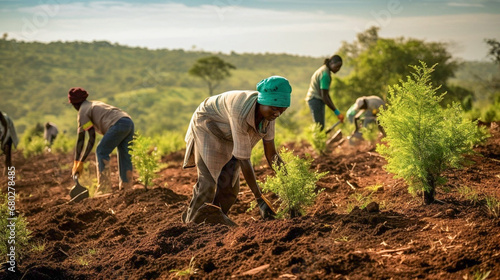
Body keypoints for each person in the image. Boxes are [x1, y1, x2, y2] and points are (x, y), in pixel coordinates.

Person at [182, 76, 291, 225]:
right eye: (274, 108)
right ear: (262, 101)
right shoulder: (240, 109)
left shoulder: (269, 118)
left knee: (230, 189)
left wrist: (290, 184)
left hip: (229, 134)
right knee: (208, 183)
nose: (277, 113)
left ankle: (212, 223)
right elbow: (244, 159)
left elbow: (271, 154)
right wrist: (259, 198)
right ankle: (191, 225)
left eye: (282, 110)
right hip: (208, 126)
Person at [68, 87, 134, 194]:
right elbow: (89, 136)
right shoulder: (92, 104)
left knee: (101, 150)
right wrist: (78, 162)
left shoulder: (82, 111)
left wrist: (79, 162)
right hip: (128, 122)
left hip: (118, 124)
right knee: (124, 154)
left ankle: (104, 189)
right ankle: (127, 188)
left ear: (74, 104)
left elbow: (85, 139)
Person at [305, 54, 344, 130]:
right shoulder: (325, 75)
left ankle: (319, 140)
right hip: (315, 100)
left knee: (319, 126)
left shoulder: (323, 69)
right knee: (319, 127)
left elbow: (325, 94)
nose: (338, 69)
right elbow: (324, 96)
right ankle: (317, 141)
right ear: (331, 63)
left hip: (315, 99)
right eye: (337, 66)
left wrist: (337, 112)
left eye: (340, 67)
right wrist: (336, 112)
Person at [0, 111, 19, 175]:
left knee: (7, 155)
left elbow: (4, 131)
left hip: (8, 137)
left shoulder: (5, 119)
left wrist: (2, 143)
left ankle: (8, 171)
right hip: (3, 137)